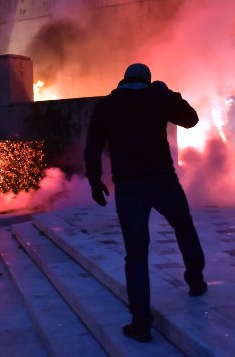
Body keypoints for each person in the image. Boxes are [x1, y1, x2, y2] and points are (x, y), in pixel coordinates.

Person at [84, 63, 206, 343]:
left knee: (136, 253)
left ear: (124, 79)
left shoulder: (108, 105)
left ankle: (141, 323)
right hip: (162, 179)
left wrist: (94, 180)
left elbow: (92, 147)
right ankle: (196, 280)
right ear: (148, 80)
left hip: (128, 186)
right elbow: (191, 119)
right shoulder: (157, 98)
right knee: (184, 226)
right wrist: (168, 93)